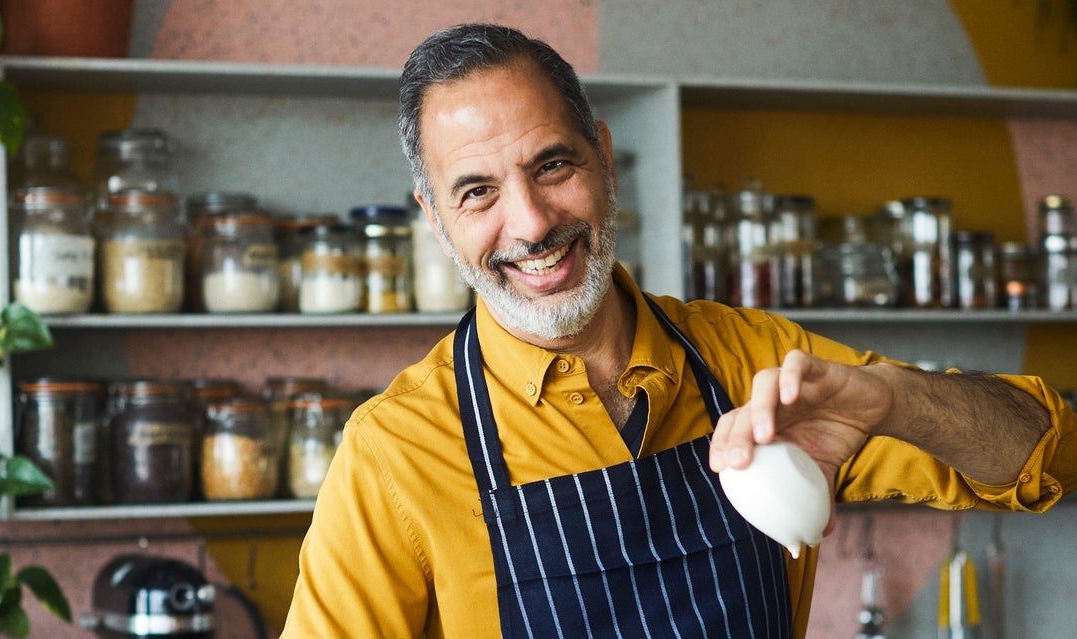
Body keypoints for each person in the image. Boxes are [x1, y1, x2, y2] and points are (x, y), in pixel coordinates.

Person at [282, 22, 1077, 638]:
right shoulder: (395, 451)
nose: (530, 223)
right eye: (478, 191)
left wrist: (895, 399)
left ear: (604, 157)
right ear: (435, 220)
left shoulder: (756, 360)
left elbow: (1050, 454)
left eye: (553, 166)